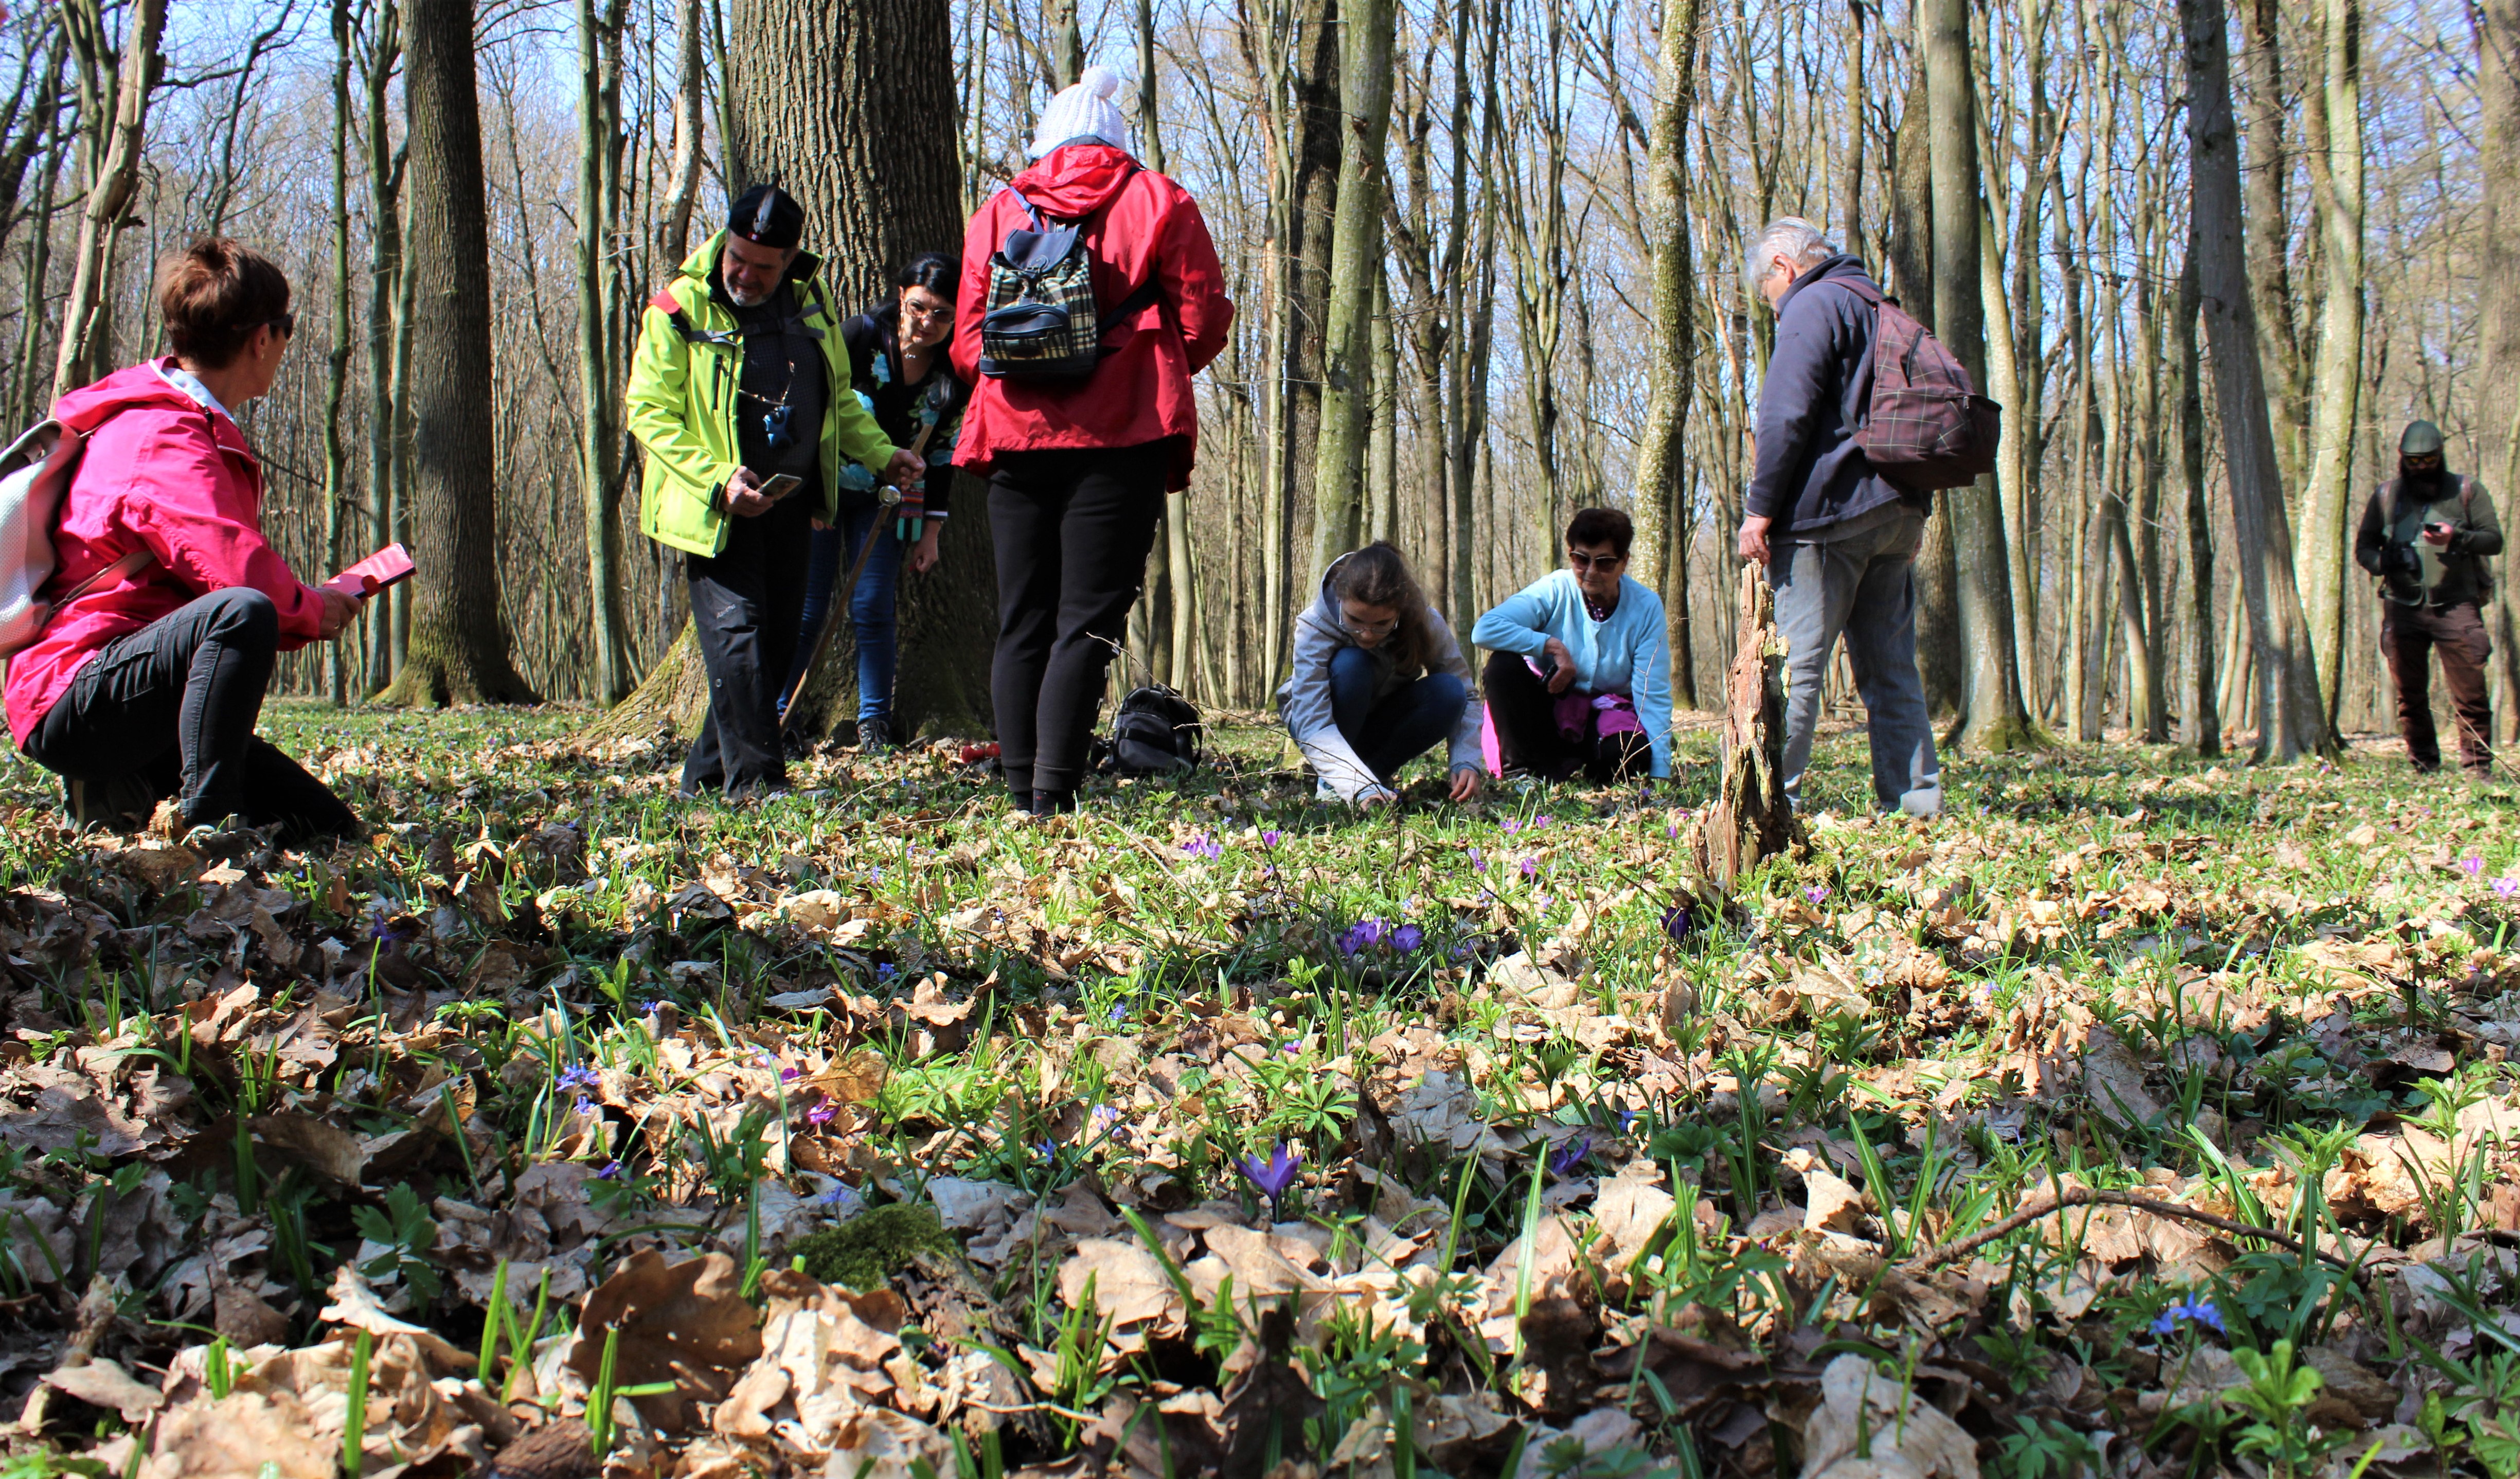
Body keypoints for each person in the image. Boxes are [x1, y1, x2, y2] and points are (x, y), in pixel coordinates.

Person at [7, 237, 363, 844]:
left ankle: (136, 789)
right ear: (261, 339)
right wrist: (314, 607)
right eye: (289, 328)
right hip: (76, 694)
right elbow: (240, 579)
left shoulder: (174, 421)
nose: (285, 343)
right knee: (242, 612)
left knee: (326, 828)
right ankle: (209, 836)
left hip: (140, 695)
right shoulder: (161, 435)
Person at [951, 64, 1232, 816]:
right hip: (1122, 431)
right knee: (1086, 620)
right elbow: (1204, 318)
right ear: (1115, 138)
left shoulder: (998, 210)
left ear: (1045, 141)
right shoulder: (1159, 200)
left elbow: (966, 344)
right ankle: (1055, 794)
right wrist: (1147, 360)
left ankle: (1020, 795)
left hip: (1014, 434)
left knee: (1023, 618)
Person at [628, 184, 925, 799]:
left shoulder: (810, 302)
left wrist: (882, 454)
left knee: (779, 642)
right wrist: (719, 479)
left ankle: (704, 777)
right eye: (738, 259)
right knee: (738, 634)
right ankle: (757, 784)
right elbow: (649, 412)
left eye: (764, 267)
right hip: (715, 507)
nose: (746, 275)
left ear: (790, 260)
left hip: (790, 501)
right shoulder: (679, 308)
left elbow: (838, 397)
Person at [1736, 217, 1940, 818]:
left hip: (1830, 514)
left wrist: (1759, 511)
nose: (1774, 311)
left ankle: (1772, 805)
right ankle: (1914, 808)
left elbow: (1784, 416)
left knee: (1795, 668)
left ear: (1784, 268)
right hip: (1896, 509)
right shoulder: (1878, 305)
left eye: (1769, 296)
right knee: (1891, 669)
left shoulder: (1812, 303)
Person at [777, 252, 969, 753]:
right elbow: (807, 399)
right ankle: (784, 713)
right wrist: (810, 492)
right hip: (825, 491)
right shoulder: (860, 336)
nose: (927, 322)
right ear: (901, 295)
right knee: (808, 607)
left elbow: (945, 457)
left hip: (888, 504)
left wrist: (932, 532)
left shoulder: (950, 379)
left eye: (942, 314)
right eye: (920, 307)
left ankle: (873, 724)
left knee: (872, 608)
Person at [1471, 508, 1672, 785]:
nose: (1591, 572)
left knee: (1631, 755)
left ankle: (1590, 772)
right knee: (1502, 665)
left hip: (1604, 720)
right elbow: (1485, 630)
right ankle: (1520, 773)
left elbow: (1652, 691)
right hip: (1547, 713)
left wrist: (1661, 771)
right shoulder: (1554, 589)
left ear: (1624, 562)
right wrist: (1550, 645)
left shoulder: (1646, 607)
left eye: (1604, 563)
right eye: (1581, 560)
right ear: (1571, 555)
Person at [1279, 542, 1485, 806]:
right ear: (1341, 600)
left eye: (1381, 624)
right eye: (1355, 620)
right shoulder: (1314, 627)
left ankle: (1375, 779)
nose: (1366, 634)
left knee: (1449, 690)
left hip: (1380, 723)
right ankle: (1337, 783)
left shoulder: (1426, 622)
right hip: (1324, 726)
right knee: (1352, 664)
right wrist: (1355, 783)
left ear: (1400, 611)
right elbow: (1313, 723)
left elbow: (1467, 694)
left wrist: (1465, 759)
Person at [2354, 419, 2504, 778]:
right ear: (2402, 459)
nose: (2421, 467)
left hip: (2456, 605)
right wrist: (2384, 561)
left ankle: (2477, 769)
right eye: (2413, 461)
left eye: (2428, 459)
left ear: (2441, 455)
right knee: (2410, 696)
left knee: (2470, 694)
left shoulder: (2466, 490)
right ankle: (2425, 766)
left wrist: (2457, 538)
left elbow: (2493, 540)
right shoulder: (2385, 496)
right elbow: (2364, 547)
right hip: (2402, 605)